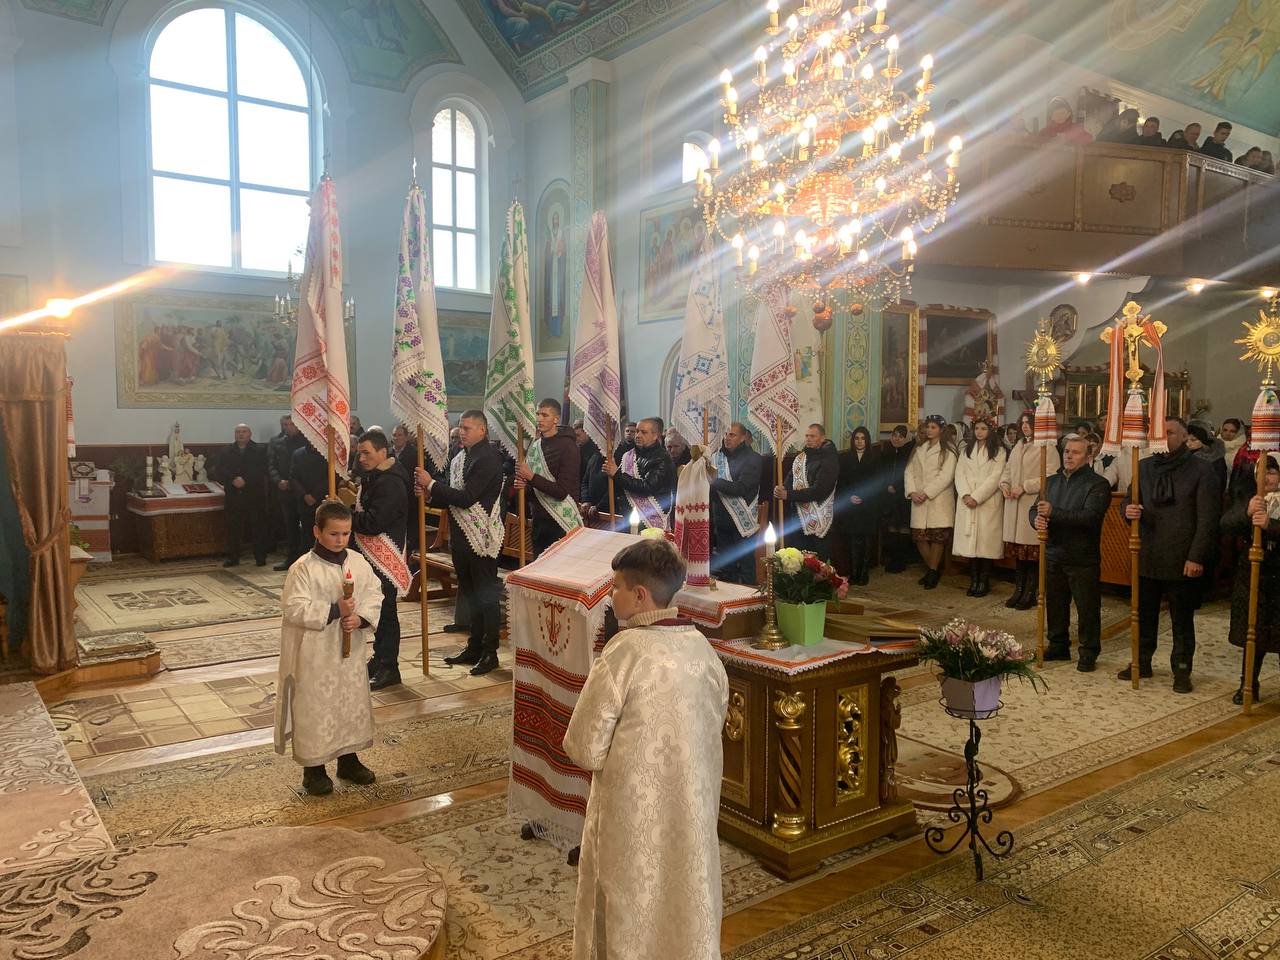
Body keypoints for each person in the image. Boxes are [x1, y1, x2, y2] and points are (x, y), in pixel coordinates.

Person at [562, 538, 728, 960]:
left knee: (629, 903)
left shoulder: (624, 653)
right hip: (692, 811)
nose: (610, 595)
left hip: (630, 819)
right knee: (687, 899)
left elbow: (584, 747)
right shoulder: (704, 650)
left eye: (615, 586)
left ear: (639, 596)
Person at [274, 500, 381, 796]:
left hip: (349, 652)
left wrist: (360, 618)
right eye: (334, 533)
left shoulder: (357, 562)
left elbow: (374, 593)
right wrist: (335, 610)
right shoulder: (303, 569)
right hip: (315, 654)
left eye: (346, 533)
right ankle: (314, 770)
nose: (340, 540)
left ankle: (349, 761)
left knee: (349, 702)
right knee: (316, 707)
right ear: (317, 532)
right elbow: (293, 608)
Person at [1122, 417, 1221, 692]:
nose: (1164, 437)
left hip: (1182, 556)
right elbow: (1129, 500)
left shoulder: (1202, 470)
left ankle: (1182, 669)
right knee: (1144, 615)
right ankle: (1141, 661)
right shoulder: (1143, 466)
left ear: (1185, 436)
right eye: (1160, 433)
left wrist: (1196, 557)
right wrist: (1127, 510)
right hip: (1148, 553)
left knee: (1181, 619)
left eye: (1170, 432)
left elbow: (1208, 520)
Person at [417, 410, 505, 676]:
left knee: (486, 596)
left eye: (467, 428)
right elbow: (451, 495)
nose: (461, 432)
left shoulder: (488, 458)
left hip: (482, 538)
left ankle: (490, 652)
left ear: (482, 430)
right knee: (469, 593)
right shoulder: (460, 457)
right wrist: (430, 495)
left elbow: (467, 498)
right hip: (461, 536)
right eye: (460, 427)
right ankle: (474, 646)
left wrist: (431, 484)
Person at [1033, 434, 1112, 671]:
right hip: (1054, 551)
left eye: (1075, 452)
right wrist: (1036, 520)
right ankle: (1058, 645)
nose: (1069, 456)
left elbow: (1090, 517)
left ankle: (1088, 650)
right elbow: (1035, 509)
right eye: (1067, 451)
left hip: (1082, 555)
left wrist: (1053, 513)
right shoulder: (1051, 481)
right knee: (1055, 603)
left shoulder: (1098, 484)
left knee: (1087, 607)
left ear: (1088, 457)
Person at [350, 428, 410, 691]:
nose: (362, 458)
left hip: (385, 555)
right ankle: (380, 658)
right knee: (377, 609)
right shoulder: (376, 476)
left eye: (367, 453)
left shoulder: (390, 482)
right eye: (359, 454)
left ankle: (390, 667)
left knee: (386, 612)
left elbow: (375, 522)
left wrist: (345, 516)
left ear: (383, 452)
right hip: (373, 556)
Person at [1223, 453, 1280, 703]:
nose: (1266, 478)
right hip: (1253, 575)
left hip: (1278, 576)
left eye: (1272, 472)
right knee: (1252, 633)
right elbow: (1226, 524)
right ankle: (1248, 683)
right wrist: (1247, 513)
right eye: (1262, 472)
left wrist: (1271, 526)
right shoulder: (1250, 498)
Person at [1001, 410, 1059, 609]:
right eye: (1023, 423)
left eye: (1029, 423)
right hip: (1014, 503)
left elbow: (1051, 475)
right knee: (1019, 553)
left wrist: (1025, 486)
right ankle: (1018, 589)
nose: (1025, 426)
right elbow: (1008, 469)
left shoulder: (1047, 446)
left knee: (1031, 552)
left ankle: (1031, 592)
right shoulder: (1018, 445)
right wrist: (1004, 484)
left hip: (1031, 502)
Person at [515, 398, 582, 556]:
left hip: (560, 522)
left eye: (545, 415)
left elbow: (562, 492)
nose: (539, 419)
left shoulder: (568, 447)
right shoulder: (535, 446)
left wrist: (531, 477)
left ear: (556, 419)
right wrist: (525, 487)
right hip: (539, 520)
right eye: (538, 414)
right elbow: (534, 489)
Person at [953, 418, 1006, 597]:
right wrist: (966, 494)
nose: (979, 432)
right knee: (971, 544)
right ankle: (974, 579)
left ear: (990, 431)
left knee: (985, 542)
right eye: (977, 428)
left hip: (987, 501)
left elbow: (996, 477)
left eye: (983, 428)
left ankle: (984, 580)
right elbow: (959, 473)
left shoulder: (998, 451)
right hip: (967, 499)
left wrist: (977, 497)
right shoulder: (966, 450)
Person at [904, 414, 957, 589]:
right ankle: (933, 569)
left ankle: (932, 572)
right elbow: (909, 471)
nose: (929, 430)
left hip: (938, 499)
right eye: (928, 427)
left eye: (933, 427)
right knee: (920, 537)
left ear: (941, 430)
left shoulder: (948, 450)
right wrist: (912, 491)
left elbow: (946, 476)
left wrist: (927, 492)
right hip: (918, 499)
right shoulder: (920, 448)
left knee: (937, 537)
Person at [775, 423, 840, 560]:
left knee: (819, 563)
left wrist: (789, 495)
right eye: (807, 436)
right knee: (800, 560)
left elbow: (819, 490)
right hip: (798, 518)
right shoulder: (800, 458)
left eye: (813, 436)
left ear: (822, 438)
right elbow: (790, 479)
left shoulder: (830, 459)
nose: (808, 439)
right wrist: (782, 488)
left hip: (818, 517)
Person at [709, 421, 762, 586]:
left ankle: (749, 599)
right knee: (726, 568)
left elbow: (742, 488)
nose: (727, 438)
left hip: (742, 521)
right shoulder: (716, 457)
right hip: (721, 519)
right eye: (726, 434)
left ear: (743, 437)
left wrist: (714, 482)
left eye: (732, 435)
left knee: (747, 567)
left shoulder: (753, 459)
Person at [603, 417, 675, 531]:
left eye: (644, 432)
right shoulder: (628, 455)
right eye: (637, 431)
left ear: (655, 435)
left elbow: (647, 487)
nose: (638, 435)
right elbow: (620, 485)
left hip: (651, 519)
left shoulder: (662, 458)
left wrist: (616, 474)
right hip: (627, 516)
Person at [215, 423, 270, 567]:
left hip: (254, 495)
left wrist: (246, 480)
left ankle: (260, 556)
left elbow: (263, 469)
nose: (241, 434)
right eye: (238, 432)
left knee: (258, 527)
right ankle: (233, 557)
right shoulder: (226, 451)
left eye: (244, 431)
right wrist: (232, 479)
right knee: (233, 528)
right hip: (233, 495)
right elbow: (219, 471)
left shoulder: (260, 450)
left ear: (250, 434)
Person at [837, 427, 880, 586]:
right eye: (856, 438)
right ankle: (854, 572)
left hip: (869, 504)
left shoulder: (875, 457)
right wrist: (849, 496)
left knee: (867, 539)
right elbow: (841, 482)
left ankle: (864, 572)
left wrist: (865, 496)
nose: (860, 441)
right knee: (853, 539)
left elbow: (877, 482)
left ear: (867, 440)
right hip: (852, 504)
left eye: (863, 438)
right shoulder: (845, 458)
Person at [268, 415, 307, 570]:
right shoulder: (277, 443)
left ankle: (306, 559)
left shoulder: (306, 442)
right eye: (286, 424)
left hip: (303, 491)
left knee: (307, 526)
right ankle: (291, 559)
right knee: (290, 526)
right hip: (285, 490)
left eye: (292, 424)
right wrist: (278, 481)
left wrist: (298, 485)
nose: (289, 427)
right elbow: (271, 465)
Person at [880, 425, 916, 572]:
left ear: (906, 438)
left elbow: (911, 474)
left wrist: (897, 486)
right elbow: (881, 472)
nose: (897, 438)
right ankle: (893, 558)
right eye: (895, 435)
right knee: (892, 526)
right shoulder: (887, 451)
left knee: (903, 527)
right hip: (889, 495)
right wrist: (887, 485)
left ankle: (901, 560)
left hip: (903, 495)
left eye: (901, 436)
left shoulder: (910, 452)